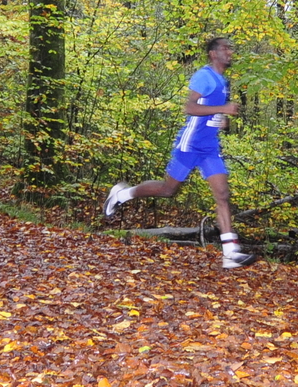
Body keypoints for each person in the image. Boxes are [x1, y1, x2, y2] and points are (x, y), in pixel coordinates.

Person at [105, 36, 254, 270]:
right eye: (225, 49)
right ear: (214, 54)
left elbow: (208, 111)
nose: (230, 52)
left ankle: (230, 252)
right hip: (190, 143)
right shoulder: (204, 75)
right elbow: (190, 107)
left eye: (230, 49)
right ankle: (122, 195)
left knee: (222, 194)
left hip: (209, 147)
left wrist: (220, 120)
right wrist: (222, 108)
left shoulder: (222, 80)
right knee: (168, 189)